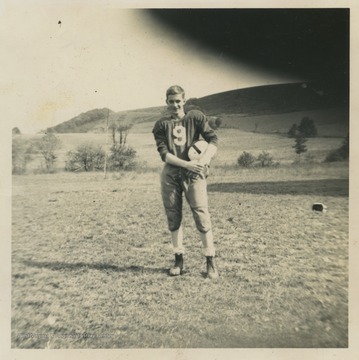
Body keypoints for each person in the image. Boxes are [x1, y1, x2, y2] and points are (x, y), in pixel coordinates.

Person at [152, 85, 219, 279]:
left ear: (184, 100)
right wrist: (186, 164)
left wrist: (203, 161)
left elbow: (213, 140)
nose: (175, 105)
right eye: (171, 101)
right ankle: (178, 259)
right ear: (166, 102)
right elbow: (164, 154)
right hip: (171, 173)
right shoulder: (161, 125)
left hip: (194, 173)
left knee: (201, 213)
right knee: (173, 215)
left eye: (178, 101)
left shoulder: (195, 117)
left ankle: (210, 261)